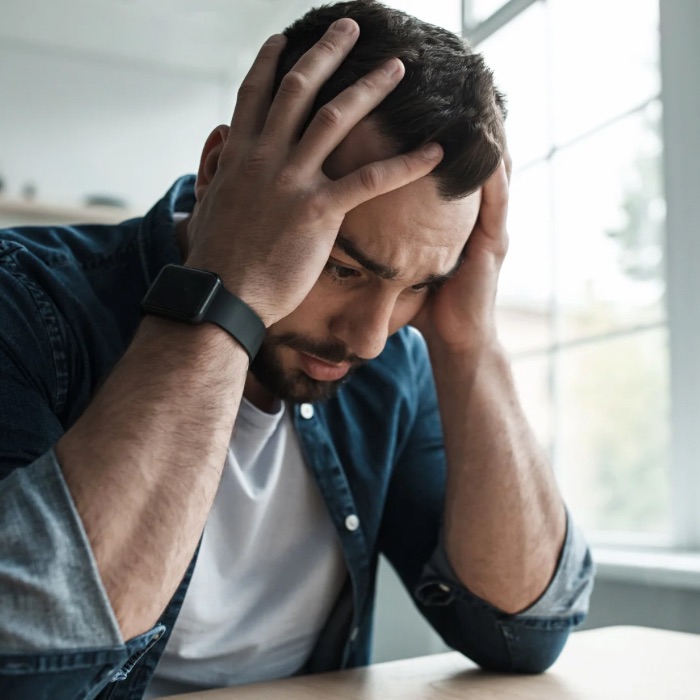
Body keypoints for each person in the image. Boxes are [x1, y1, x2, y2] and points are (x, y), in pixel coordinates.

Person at [0, 1, 594, 698]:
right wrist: (229, 289)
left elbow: (522, 629)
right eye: (343, 267)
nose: (371, 337)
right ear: (221, 172)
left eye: (418, 286)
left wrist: (470, 342)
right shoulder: (25, 301)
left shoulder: (395, 360)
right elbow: (27, 661)